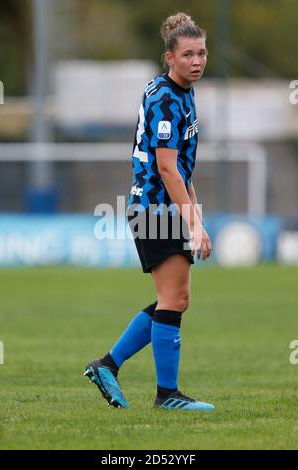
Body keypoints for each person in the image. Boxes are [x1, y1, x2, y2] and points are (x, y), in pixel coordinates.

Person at [84, 12, 215, 411]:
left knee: (174, 299)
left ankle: (108, 366)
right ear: (169, 57)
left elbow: (183, 169)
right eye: (188, 54)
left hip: (166, 207)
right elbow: (166, 168)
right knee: (173, 299)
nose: (197, 61)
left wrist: (197, 217)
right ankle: (166, 395)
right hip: (154, 209)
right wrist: (194, 223)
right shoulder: (163, 98)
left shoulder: (183, 92)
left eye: (202, 53)